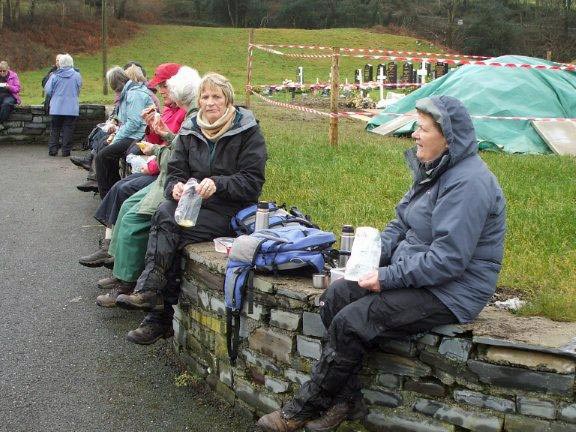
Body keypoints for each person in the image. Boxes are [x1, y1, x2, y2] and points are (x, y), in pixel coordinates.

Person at [256, 95, 507, 432]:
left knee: (351, 322)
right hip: (424, 276)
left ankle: (301, 411)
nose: (414, 135)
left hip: (454, 292)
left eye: (422, 129)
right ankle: (345, 402)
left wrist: (387, 277)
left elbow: (449, 260)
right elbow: (400, 225)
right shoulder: (435, 170)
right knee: (337, 296)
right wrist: (364, 258)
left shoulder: (469, 183)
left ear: (449, 137)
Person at [114, 72, 267, 345]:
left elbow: (252, 182)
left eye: (216, 96)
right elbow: (175, 171)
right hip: (191, 205)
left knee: (167, 224)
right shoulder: (190, 129)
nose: (210, 103)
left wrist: (218, 184)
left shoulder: (248, 131)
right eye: (205, 97)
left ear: (228, 100)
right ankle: (155, 311)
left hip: (228, 209)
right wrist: (175, 186)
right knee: (167, 218)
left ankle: (154, 305)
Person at [94, 66, 202, 307]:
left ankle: (126, 280)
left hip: (170, 180)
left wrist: (157, 145)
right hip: (166, 175)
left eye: (164, 86)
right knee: (126, 203)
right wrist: (160, 134)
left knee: (133, 215)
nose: (160, 91)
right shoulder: (186, 114)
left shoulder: (191, 117)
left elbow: (180, 157)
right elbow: (177, 149)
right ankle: (118, 267)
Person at [78, 64, 189, 268]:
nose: (160, 91)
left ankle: (115, 256)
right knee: (118, 183)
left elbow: (176, 152)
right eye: (160, 86)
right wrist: (151, 125)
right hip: (159, 165)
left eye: (164, 86)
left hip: (166, 173)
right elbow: (161, 140)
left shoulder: (184, 114)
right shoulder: (169, 109)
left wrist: (152, 163)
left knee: (122, 186)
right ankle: (111, 249)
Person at [94, 66, 153, 198]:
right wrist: (115, 132)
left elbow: (133, 123)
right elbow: (126, 120)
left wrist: (116, 138)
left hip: (138, 137)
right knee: (102, 146)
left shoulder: (134, 94)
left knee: (102, 157)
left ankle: (107, 196)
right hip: (133, 134)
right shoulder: (129, 92)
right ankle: (112, 190)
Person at [44, 53, 82, 157]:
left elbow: (48, 90)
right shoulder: (76, 75)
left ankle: (52, 150)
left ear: (60, 63)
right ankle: (66, 151)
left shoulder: (55, 76)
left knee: (55, 128)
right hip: (71, 107)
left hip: (56, 107)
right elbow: (79, 88)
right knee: (68, 129)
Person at [0, 60, 21, 127]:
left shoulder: (14, 75)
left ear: (8, 69)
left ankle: (1, 122)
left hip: (11, 95)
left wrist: (9, 87)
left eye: (4, 71)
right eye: (0, 71)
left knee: (6, 104)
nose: (2, 72)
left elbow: (17, 89)